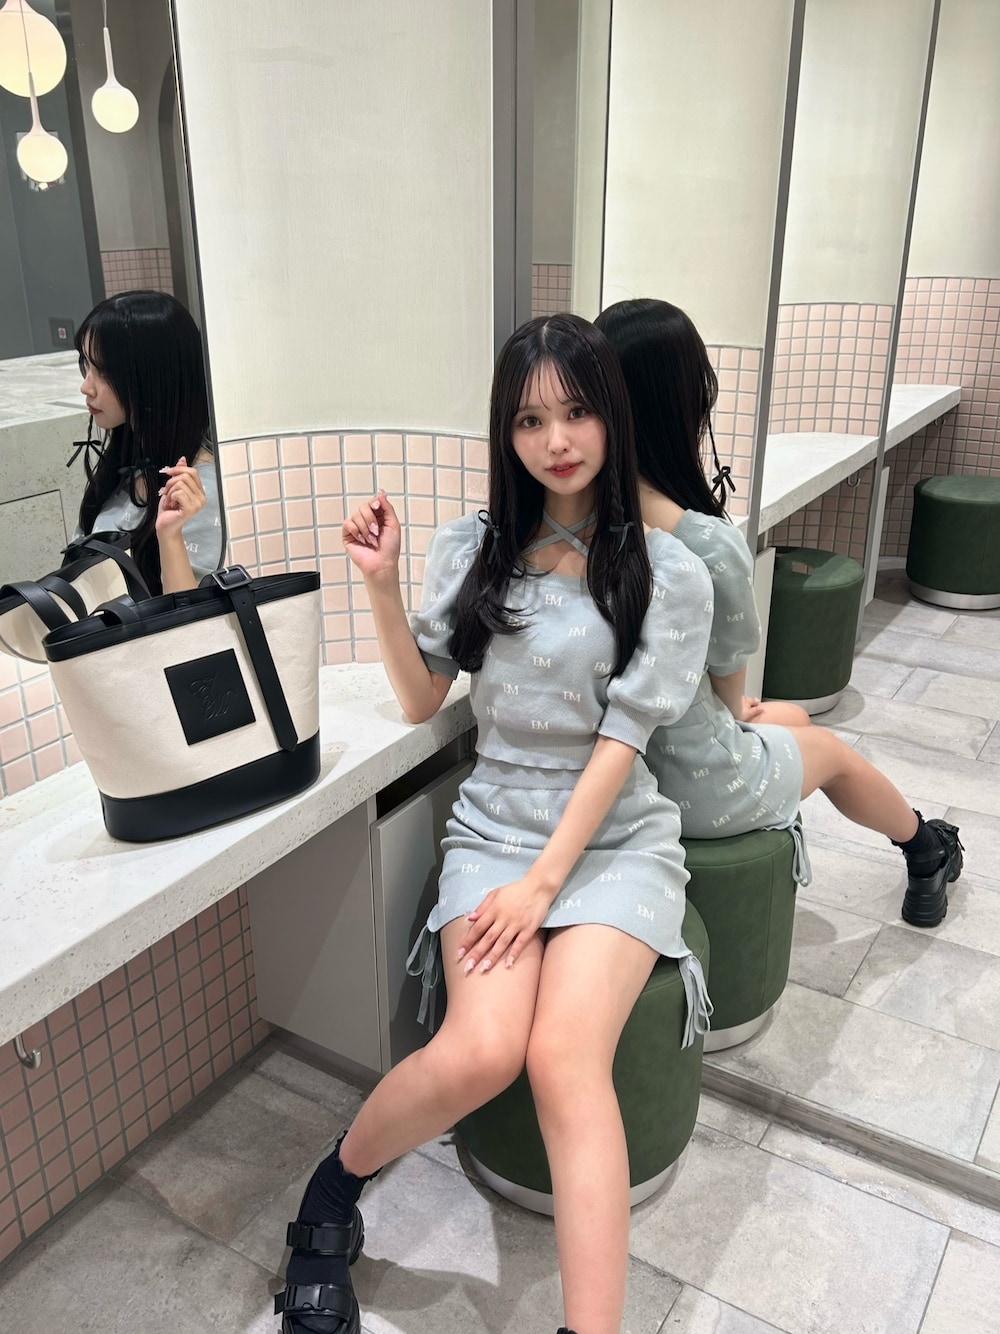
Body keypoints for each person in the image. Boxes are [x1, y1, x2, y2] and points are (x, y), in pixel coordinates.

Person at [273, 313, 716, 1334]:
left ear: (611, 416)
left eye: (577, 411)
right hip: (492, 835)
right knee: (481, 1051)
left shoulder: (667, 570)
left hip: (611, 843)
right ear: (504, 431)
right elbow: (422, 697)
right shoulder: (474, 548)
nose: (555, 439)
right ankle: (332, 1191)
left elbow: (623, 741)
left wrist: (544, 883)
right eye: (528, 419)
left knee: (564, 1055)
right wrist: (382, 585)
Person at [595, 296, 964, 927]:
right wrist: (735, 712)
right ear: (684, 404)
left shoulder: (581, 521)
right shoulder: (703, 542)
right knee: (829, 750)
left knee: (789, 715)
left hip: (615, 769)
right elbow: (727, 675)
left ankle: (924, 841)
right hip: (683, 783)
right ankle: (925, 848)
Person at [72, 289, 222, 594]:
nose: (86, 386)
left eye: (103, 371)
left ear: (150, 378)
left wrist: (169, 536)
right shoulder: (128, 458)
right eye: (86, 365)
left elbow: (192, 614)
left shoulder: (198, 490)